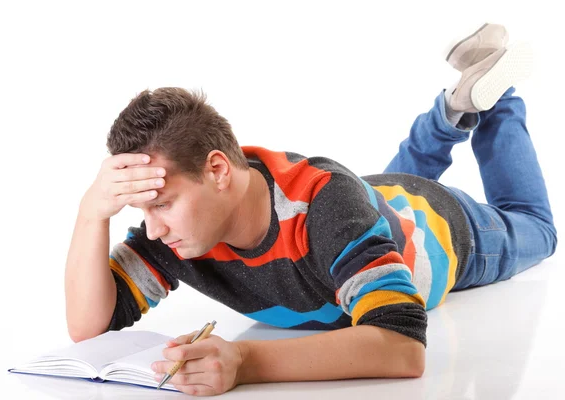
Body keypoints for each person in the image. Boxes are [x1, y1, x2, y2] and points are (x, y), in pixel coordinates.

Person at [65, 23, 557, 396]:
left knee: (535, 226)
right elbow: (90, 327)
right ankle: (452, 109)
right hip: (372, 203)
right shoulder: (178, 230)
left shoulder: (327, 209)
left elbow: (402, 346)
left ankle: (497, 95)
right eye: (144, 208)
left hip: (442, 230)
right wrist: (92, 213)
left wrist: (245, 362)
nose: (153, 227)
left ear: (217, 170)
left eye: (164, 203)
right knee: (371, 200)